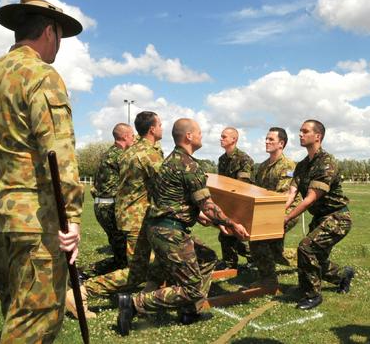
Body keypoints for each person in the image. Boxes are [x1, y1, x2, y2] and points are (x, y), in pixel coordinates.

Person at [0, 0, 83, 342]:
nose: (59, 46)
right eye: (60, 37)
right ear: (49, 32)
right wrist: (72, 215)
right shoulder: (42, 75)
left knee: (16, 308)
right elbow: (57, 153)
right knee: (35, 321)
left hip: (0, 218)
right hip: (37, 220)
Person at [116, 118, 249, 335]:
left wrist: (199, 217)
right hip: (171, 232)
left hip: (159, 228)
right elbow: (207, 204)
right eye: (199, 132)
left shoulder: (168, 161)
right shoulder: (189, 165)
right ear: (189, 136)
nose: (201, 136)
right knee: (193, 288)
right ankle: (133, 304)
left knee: (206, 257)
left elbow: (176, 200)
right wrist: (232, 224)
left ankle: (189, 311)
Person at [66, 112, 164, 318]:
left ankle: (148, 299)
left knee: (154, 260)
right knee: (135, 272)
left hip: (129, 216)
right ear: (152, 129)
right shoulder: (148, 153)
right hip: (138, 218)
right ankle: (81, 292)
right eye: (160, 125)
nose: (162, 128)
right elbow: (165, 183)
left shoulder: (129, 152)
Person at [284, 120, 354, 310]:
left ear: (318, 136)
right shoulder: (302, 165)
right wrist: (278, 210)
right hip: (320, 218)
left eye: (305, 131)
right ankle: (343, 275)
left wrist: (287, 218)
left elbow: (310, 199)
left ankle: (312, 295)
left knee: (306, 248)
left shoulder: (327, 163)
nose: (300, 134)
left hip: (337, 217)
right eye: (300, 131)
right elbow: (291, 193)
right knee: (318, 260)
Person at [249, 127, 301, 289]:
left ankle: (268, 280)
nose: (266, 141)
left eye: (271, 139)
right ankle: (307, 257)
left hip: (286, 211)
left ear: (281, 143)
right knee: (277, 252)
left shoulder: (288, 165)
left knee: (259, 240)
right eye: (266, 138)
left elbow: (284, 196)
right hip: (268, 211)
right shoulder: (263, 166)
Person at [90, 123, 135, 271]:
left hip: (101, 206)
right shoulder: (121, 156)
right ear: (125, 136)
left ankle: (89, 271)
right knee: (123, 258)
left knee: (119, 250)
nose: (134, 139)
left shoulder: (108, 154)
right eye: (133, 136)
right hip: (110, 208)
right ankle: (88, 272)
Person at [216, 127, 254, 270]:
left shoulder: (244, 159)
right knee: (225, 234)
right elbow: (220, 183)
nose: (221, 139)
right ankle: (229, 262)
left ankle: (253, 258)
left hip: (241, 203)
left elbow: (243, 186)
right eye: (221, 136)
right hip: (227, 202)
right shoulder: (222, 159)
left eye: (224, 136)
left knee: (239, 234)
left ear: (234, 139)